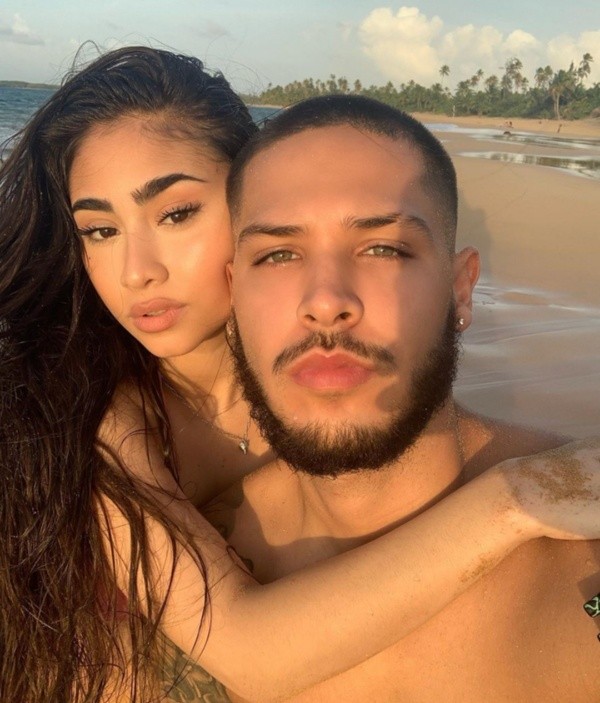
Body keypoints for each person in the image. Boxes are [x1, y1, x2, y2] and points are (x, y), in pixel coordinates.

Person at [1, 47, 599, 703]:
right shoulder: (99, 417)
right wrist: (509, 500)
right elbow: (249, 652)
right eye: (99, 229)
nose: (137, 271)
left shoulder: (325, 389)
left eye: (176, 214)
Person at [208, 94, 600, 701]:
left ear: (461, 290)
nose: (326, 301)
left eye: (384, 249)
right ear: (233, 299)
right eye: (278, 254)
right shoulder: (207, 554)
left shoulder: (583, 542)